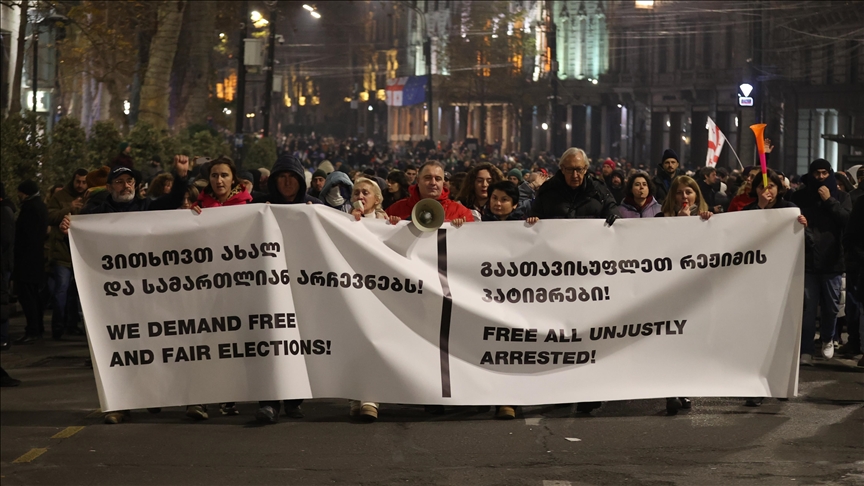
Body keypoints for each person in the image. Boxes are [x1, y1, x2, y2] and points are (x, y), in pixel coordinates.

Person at [59, 157, 192, 424]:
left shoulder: (146, 208)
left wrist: (180, 176)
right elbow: (80, 237)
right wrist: (68, 229)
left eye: (129, 181)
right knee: (118, 351)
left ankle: (158, 398)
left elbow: (173, 200)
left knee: (154, 347)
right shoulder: (95, 215)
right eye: (119, 182)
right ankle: (120, 404)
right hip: (112, 297)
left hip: (148, 294)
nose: (125, 186)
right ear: (109, 187)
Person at [253, 154, 320, 424]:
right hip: (268, 286)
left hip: (301, 286)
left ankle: (294, 400)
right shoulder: (259, 207)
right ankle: (269, 401)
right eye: (282, 177)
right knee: (270, 341)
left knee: (298, 342)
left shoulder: (314, 206)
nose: (288, 182)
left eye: (292, 177)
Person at [790, 159, 853, 363]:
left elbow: (846, 221)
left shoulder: (842, 197)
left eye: (824, 173)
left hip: (833, 260)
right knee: (808, 307)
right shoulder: (800, 196)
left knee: (831, 307)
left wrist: (829, 201)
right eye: (816, 173)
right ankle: (806, 349)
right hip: (807, 260)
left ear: (831, 174)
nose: (820, 177)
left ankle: (828, 338)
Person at [45, 169, 88, 340]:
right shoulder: (61, 196)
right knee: (61, 291)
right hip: (63, 253)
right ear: (73, 180)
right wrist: (69, 208)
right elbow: (49, 216)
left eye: (84, 182)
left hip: (82, 253)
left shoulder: (90, 195)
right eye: (78, 181)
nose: (81, 185)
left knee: (78, 293)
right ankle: (58, 327)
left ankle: (73, 325)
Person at [530, 147, 619, 221]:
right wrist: (534, 220)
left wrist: (614, 217)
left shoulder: (599, 190)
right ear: (562, 169)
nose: (575, 175)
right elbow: (535, 215)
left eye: (579, 169)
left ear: (585, 169)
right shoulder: (548, 191)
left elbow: (612, 210)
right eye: (570, 169)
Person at [12, 181, 48, 345]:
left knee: (27, 297)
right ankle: (37, 328)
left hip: (26, 261)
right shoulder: (40, 206)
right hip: (36, 259)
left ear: (24, 193)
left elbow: (23, 236)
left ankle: (33, 329)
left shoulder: (29, 208)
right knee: (35, 296)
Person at [387, 161, 473, 226]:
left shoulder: (461, 213)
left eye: (438, 179)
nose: (433, 182)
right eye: (428, 178)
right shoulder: (395, 210)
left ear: (443, 183)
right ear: (418, 180)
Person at [0, 183, 15, 351]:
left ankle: (3, 337)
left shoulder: (4, 212)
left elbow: (5, 240)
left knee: (2, 300)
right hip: (5, 263)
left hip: (3, 264)